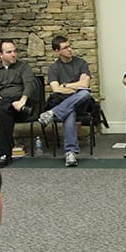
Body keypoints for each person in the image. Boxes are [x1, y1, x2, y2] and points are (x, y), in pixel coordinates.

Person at [38, 35, 93, 167]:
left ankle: (52, 113)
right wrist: (75, 86)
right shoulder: (54, 68)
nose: (70, 50)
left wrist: (65, 86)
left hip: (81, 103)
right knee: (69, 112)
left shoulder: (81, 63)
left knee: (85, 93)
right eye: (65, 48)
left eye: (69, 46)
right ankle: (70, 153)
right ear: (57, 51)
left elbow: (85, 85)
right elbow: (55, 89)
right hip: (65, 103)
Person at [0, 40, 36, 167]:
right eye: (9, 52)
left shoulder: (23, 67)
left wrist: (22, 101)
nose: (13, 54)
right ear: (1, 55)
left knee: (3, 113)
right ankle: (6, 105)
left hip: (19, 107)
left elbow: (29, 85)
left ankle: (4, 155)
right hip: (4, 104)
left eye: (15, 51)